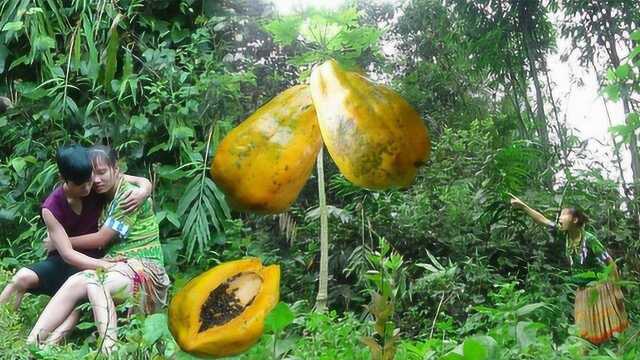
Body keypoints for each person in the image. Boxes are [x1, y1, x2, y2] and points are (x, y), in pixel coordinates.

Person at [28, 145, 169, 354]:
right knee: (75, 281)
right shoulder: (99, 190)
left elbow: (102, 239)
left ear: (116, 169)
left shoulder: (128, 197)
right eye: (92, 175)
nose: (96, 180)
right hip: (117, 265)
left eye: (102, 173)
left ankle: (108, 351)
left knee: (95, 282)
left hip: (143, 267)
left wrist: (62, 242)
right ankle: (32, 343)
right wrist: (144, 183)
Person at [0, 144, 152, 310]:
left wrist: (144, 190)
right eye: (80, 185)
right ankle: (4, 323)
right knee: (22, 277)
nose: (87, 188)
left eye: (89, 182)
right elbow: (67, 254)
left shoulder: (94, 182)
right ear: (63, 178)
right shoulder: (52, 207)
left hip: (100, 256)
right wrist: (106, 266)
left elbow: (130, 179)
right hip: (69, 261)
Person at [510, 193, 628, 344]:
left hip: (599, 288)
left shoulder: (590, 240)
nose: (559, 218)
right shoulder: (565, 235)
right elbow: (542, 220)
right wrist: (523, 206)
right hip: (582, 289)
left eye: (564, 215)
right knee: (586, 329)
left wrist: (617, 290)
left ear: (575, 219)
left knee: (608, 327)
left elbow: (610, 263)